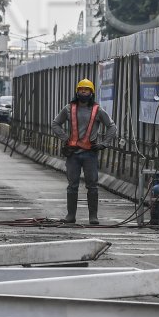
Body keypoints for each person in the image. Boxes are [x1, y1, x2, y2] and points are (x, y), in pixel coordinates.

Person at [52, 78, 118, 225]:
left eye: (86, 90)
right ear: (77, 91)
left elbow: (112, 127)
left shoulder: (97, 110)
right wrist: (65, 139)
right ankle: (71, 215)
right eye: (81, 89)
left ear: (91, 92)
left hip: (90, 154)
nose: (83, 92)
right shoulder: (68, 108)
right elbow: (55, 124)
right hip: (73, 154)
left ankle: (93, 217)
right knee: (72, 185)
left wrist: (103, 144)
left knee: (92, 185)